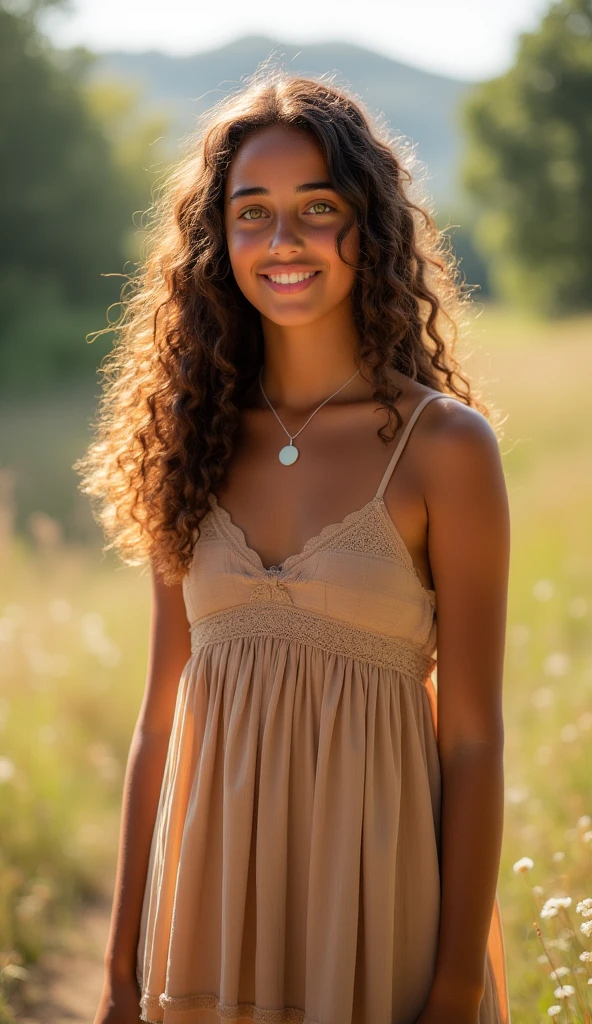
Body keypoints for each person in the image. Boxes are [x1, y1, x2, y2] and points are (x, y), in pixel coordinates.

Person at [78, 69, 512, 1024]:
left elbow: (475, 739)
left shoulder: (443, 447)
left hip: (377, 913)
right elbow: (160, 721)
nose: (283, 241)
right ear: (215, 238)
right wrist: (117, 973)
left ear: (373, 226)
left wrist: (451, 987)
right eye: (251, 212)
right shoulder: (187, 441)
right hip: (210, 910)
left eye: (318, 208)